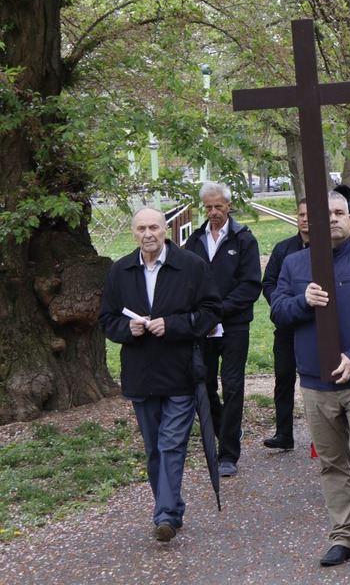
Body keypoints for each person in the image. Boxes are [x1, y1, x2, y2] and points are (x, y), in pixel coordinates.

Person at [271, 191, 350, 567]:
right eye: (323, 214)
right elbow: (278, 311)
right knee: (332, 461)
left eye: (339, 213)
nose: (332, 219)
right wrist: (301, 301)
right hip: (316, 382)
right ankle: (343, 535)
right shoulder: (295, 265)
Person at [99, 207, 221, 542]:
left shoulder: (191, 266)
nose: (148, 234)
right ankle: (170, 507)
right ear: (133, 233)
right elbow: (107, 319)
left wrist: (173, 325)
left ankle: (165, 515)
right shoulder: (120, 270)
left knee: (171, 444)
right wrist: (128, 329)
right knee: (154, 447)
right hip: (140, 373)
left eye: (154, 227)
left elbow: (212, 311)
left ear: (165, 230)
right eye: (141, 228)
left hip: (181, 371)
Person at [183, 181, 261, 478]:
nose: (213, 212)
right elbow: (187, 281)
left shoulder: (244, 240)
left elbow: (251, 284)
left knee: (233, 385)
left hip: (234, 326)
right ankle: (224, 432)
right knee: (204, 384)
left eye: (218, 206)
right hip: (202, 327)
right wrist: (202, 316)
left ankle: (228, 453)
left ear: (229, 205)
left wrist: (221, 311)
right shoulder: (194, 240)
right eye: (208, 207)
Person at [260, 198, 309, 450]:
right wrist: (281, 303)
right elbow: (268, 283)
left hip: (314, 329)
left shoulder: (328, 248)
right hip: (287, 327)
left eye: (309, 214)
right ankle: (284, 433)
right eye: (301, 214)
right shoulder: (283, 249)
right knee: (284, 377)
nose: (304, 219)